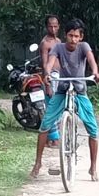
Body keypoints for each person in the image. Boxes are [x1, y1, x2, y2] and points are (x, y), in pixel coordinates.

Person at [31, 18, 99, 181]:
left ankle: (93, 167)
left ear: (81, 37)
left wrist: (96, 73)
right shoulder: (58, 47)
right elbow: (49, 62)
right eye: (70, 36)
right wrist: (47, 74)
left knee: (93, 130)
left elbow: (92, 61)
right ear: (66, 35)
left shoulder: (84, 47)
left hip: (80, 90)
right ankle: (38, 163)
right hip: (62, 89)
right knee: (45, 126)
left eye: (76, 36)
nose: (73, 39)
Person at [33, 14, 63, 168]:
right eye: (50, 26)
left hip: (60, 78)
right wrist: (48, 83)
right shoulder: (45, 43)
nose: (53, 28)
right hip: (51, 78)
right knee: (52, 108)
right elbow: (45, 64)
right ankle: (54, 138)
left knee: (60, 108)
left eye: (56, 26)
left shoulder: (59, 42)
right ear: (46, 27)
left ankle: (54, 138)